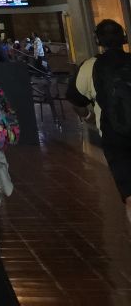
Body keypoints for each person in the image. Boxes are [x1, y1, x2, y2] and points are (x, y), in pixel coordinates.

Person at [67, 18, 131, 227]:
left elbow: (75, 99)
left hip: (113, 134)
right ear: (124, 38)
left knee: (129, 192)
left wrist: (88, 117)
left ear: (98, 41)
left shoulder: (90, 66)